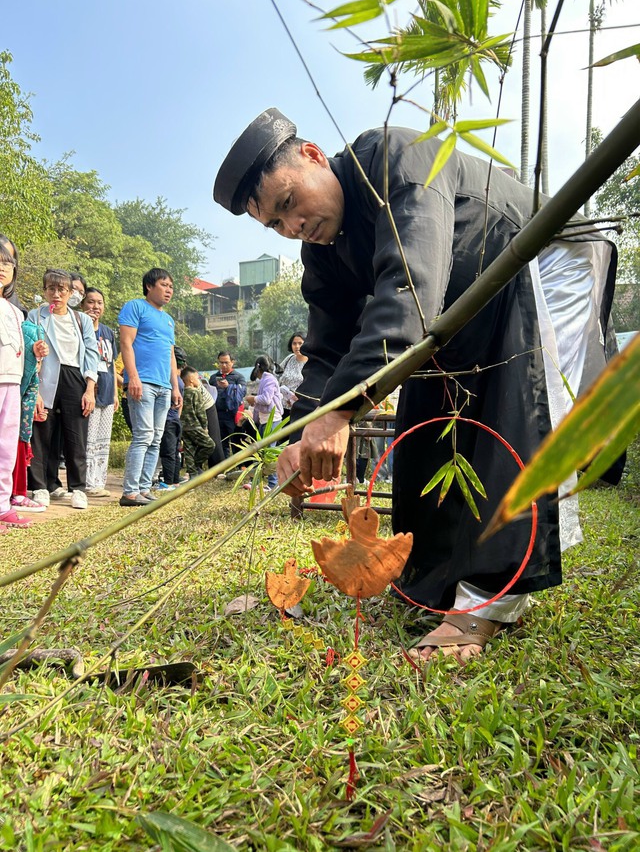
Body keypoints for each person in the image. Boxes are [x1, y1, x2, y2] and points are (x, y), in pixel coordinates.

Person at [213, 107, 618, 662]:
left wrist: (344, 412)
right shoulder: (321, 253)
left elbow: (410, 288)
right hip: (460, 301)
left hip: (542, 254)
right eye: (275, 226)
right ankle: (430, 581)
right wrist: (300, 436)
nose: (292, 227)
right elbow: (328, 350)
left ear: (311, 157)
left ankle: (486, 603)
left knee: (516, 410)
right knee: (425, 422)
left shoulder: (395, 158)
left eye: (288, 205)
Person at [27, 269, 99, 510]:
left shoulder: (82, 320)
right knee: (41, 432)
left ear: (71, 293)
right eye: (51, 289)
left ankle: (77, 487)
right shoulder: (35, 317)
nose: (56, 294)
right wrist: (34, 389)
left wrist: (90, 388)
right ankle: (40, 486)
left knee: (76, 434)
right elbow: (28, 353)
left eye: (62, 290)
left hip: (74, 377)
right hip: (44, 378)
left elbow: (91, 354)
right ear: (45, 291)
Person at [118, 268, 182, 507]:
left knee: (156, 438)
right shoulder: (135, 307)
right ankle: (130, 491)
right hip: (142, 382)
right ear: (149, 286)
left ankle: (144, 488)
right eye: (164, 285)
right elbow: (126, 342)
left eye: (171, 287)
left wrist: (175, 387)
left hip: (164, 386)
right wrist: (132, 377)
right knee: (143, 436)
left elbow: (170, 355)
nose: (169, 290)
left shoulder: (168, 319)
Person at [0, 235, 48, 529]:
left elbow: (23, 354)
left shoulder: (15, 312)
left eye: (7, 263)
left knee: (6, 447)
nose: (3, 268)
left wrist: (35, 352)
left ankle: (2, 504)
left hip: (11, 385)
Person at [82, 287, 118, 497]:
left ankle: (99, 481)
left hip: (107, 390)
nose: (95, 306)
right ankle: (87, 482)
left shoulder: (107, 332)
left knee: (104, 439)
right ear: (82, 304)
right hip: (90, 391)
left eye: (99, 302)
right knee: (90, 438)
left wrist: (114, 392)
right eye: (90, 302)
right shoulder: (80, 328)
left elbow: (111, 363)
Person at [245, 354, 283, 491]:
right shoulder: (265, 380)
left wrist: (252, 399)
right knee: (261, 450)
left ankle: (273, 483)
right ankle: (257, 480)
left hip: (272, 419)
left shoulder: (269, 379)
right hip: (264, 419)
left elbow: (266, 399)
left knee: (269, 451)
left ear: (258, 368)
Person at [157, 346, 186, 490]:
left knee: (167, 452)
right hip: (175, 420)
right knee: (174, 452)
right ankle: (174, 481)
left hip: (168, 420)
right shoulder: (179, 381)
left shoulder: (169, 379)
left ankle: (168, 482)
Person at [209, 351, 246, 457]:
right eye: (221, 362)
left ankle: (239, 466)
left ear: (232, 362)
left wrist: (228, 387)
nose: (224, 365)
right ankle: (223, 468)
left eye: (226, 362)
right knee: (221, 442)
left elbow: (242, 393)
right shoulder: (213, 378)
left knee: (236, 442)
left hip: (233, 414)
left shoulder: (238, 377)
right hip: (218, 414)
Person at [180, 366, 215, 478]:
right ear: (191, 380)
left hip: (184, 427)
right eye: (197, 378)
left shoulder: (181, 392)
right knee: (210, 445)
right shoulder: (196, 393)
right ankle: (195, 464)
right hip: (195, 426)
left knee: (188, 451)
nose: (198, 381)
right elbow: (200, 412)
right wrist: (204, 426)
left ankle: (193, 475)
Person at [279, 331, 308, 417]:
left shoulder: (311, 363)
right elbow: (277, 374)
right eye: (294, 343)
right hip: (283, 407)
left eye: (300, 343)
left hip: (300, 409)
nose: (297, 346)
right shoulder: (289, 358)